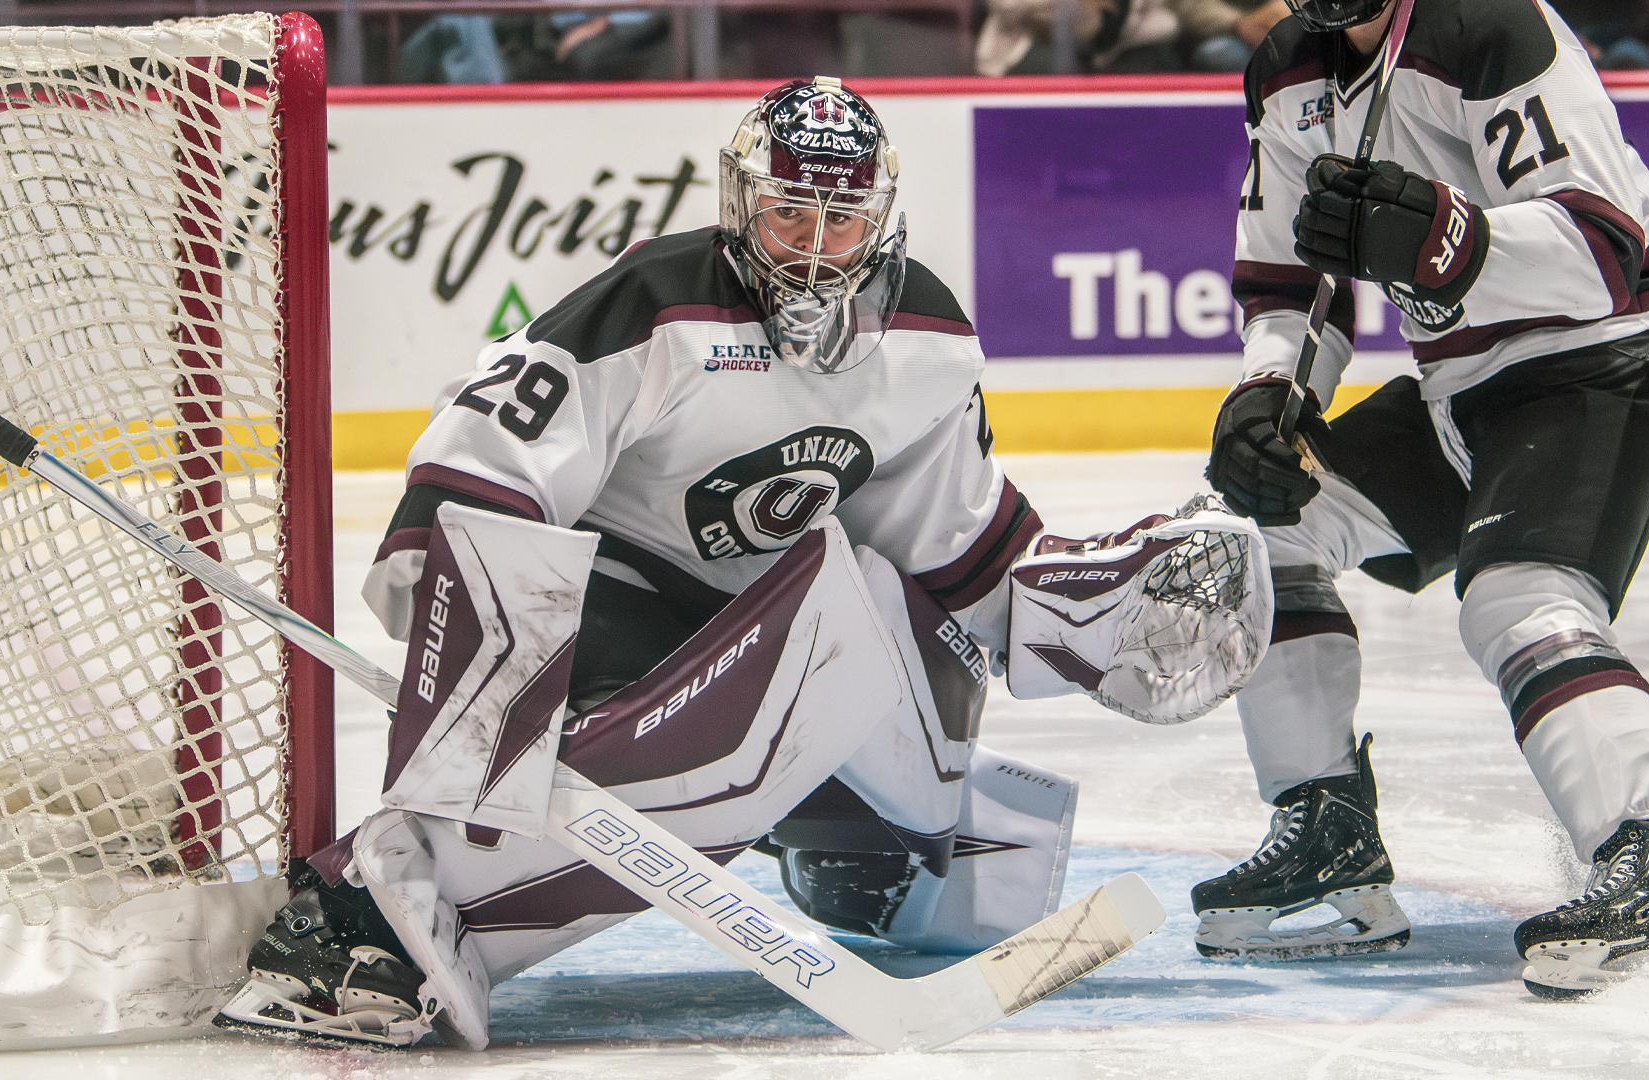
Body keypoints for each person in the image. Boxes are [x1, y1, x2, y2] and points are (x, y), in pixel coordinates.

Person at [210, 78, 1266, 1050]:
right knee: (787, 669)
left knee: (934, 748)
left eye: (842, 220)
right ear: (739, 205)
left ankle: (858, 867)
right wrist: (482, 682)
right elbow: (483, 474)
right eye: (789, 214)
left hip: (755, 634)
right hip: (610, 622)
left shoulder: (928, 341)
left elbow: (955, 543)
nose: (814, 250)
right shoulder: (658, 304)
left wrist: (1084, 613)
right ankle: (376, 914)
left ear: (882, 219)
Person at [1200, 0, 1649, 999]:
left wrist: (1446, 241)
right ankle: (1328, 833)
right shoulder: (1287, 70)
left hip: (1606, 359)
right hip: (1460, 384)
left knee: (1518, 596)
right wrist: (1265, 403)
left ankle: (1646, 845)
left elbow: (1603, 254)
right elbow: (1292, 288)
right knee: (1265, 534)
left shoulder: (1492, 25)